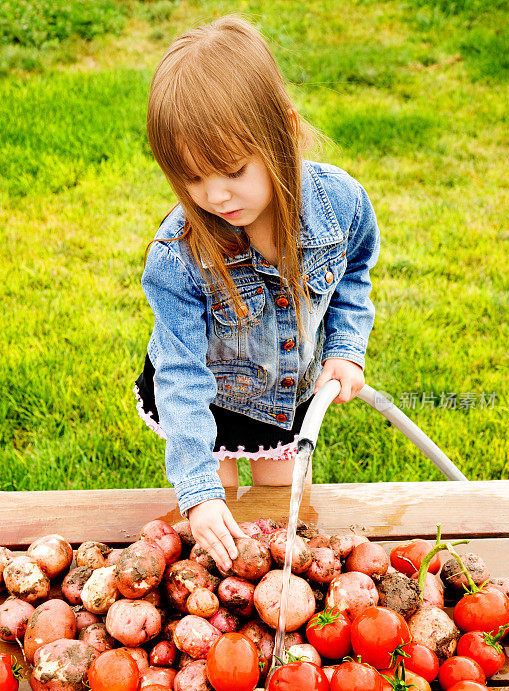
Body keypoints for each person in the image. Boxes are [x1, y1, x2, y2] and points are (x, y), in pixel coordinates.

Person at [135, 15, 380, 572]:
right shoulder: (180, 254)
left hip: (286, 396)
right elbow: (180, 370)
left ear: (284, 133)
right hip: (204, 397)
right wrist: (197, 492)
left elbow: (356, 269)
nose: (215, 196)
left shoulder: (338, 205)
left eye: (231, 170)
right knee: (214, 526)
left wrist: (345, 347)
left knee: (280, 513)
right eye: (193, 179)